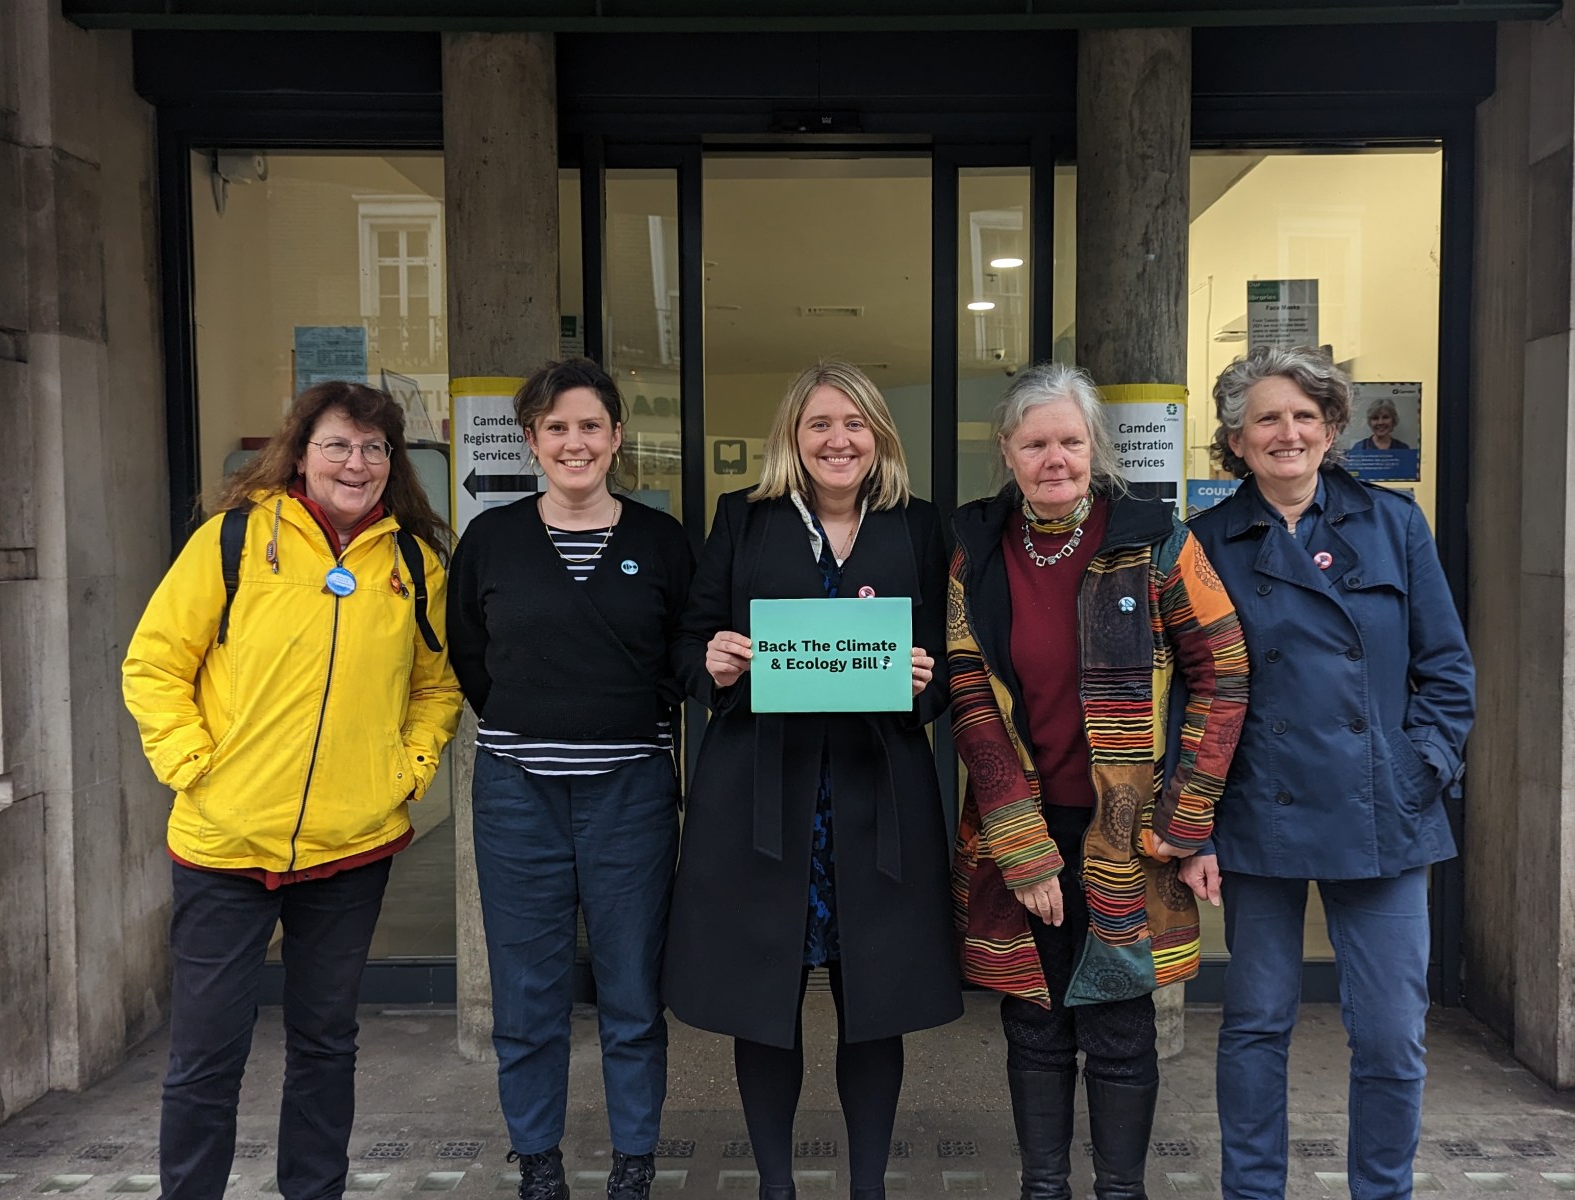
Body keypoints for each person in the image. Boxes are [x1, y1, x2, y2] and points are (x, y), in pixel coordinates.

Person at [123, 382, 462, 1200]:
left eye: (375, 448)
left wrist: (406, 770)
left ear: (393, 462)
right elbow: (155, 665)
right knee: (207, 1053)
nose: (357, 463)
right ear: (301, 453)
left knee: (325, 1045)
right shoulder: (233, 540)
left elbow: (437, 685)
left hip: (353, 846)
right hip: (224, 846)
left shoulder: (414, 564)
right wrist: (195, 767)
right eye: (338, 444)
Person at [947, 362, 1250, 1200]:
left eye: (1071, 442)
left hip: (1131, 834)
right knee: (1034, 1021)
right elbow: (968, 688)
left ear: (1094, 448)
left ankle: (1121, 1191)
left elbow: (1223, 671)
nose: (1055, 459)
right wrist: (1019, 843)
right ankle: (1042, 1188)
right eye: (1035, 444)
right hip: (1024, 827)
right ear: (1007, 451)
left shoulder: (1157, 541)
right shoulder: (976, 550)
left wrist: (1185, 819)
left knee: (1120, 1029)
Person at [665, 360, 962, 1200]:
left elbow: (956, 655)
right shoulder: (745, 519)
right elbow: (686, 645)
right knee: (765, 996)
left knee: (877, 997)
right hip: (762, 793)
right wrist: (714, 664)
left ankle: (868, 1187)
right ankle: (775, 1186)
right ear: (792, 438)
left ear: (879, 435)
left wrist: (926, 684)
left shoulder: (919, 525)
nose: (839, 440)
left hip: (878, 793)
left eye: (855, 423)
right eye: (820, 424)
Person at [1183, 346, 1475, 1200]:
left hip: (1384, 810)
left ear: (1332, 428)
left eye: (1305, 416)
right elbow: (1189, 694)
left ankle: (1383, 1191)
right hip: (1256, 810)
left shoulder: (1394, 524)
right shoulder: (1205, 541)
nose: (1288, 433)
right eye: (1267, 418)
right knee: (1255, 1023)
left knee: (1391, 1032)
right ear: (1236, 440)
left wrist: (1419, 768)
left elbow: (1447, 671)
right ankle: (1252, 1192)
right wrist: (1193, 825)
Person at [447, 359, 694, 1200]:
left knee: (632, 990)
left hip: (630, 793)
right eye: (556, 427)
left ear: (617, 437)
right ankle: (539, 1161)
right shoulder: (493, 539)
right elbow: (470, 651)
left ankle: (634, 1160)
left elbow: (683, 651)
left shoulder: (661, 541)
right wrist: (530, 717)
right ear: (532, 440)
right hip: (517, 793)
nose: (574, 442)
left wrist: (626, 715)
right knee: (526, 992)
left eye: (590, 425)